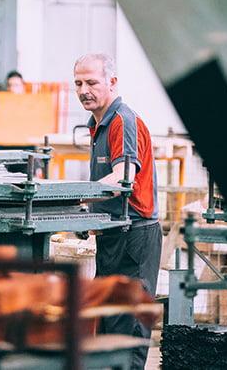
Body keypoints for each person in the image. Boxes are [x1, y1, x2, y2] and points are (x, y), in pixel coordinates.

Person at [73, 53, 162, 370]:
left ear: (111, 82)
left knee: (128, 326)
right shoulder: (97, 124)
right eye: (78, 83)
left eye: (92, 82)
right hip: (113, 234)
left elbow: (123, 175)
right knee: (109, 324)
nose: (84, 90)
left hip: (134, 235)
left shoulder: (121, 120)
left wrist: (80, 199)